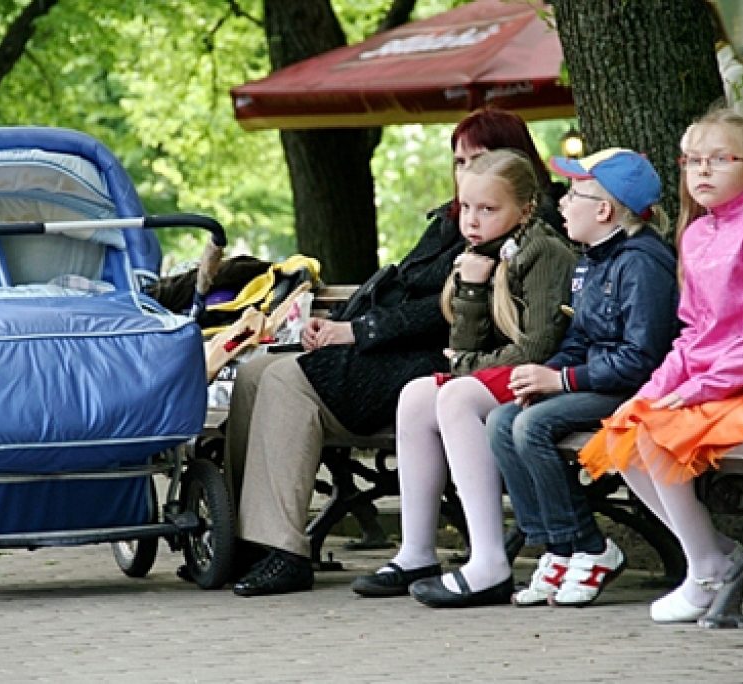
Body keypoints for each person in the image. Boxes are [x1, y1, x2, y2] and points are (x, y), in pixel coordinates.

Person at [226, 107, 564, 598]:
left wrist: (357, 333)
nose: (467, 173)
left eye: (480, 158)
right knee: (256, 371)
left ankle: (283, 549)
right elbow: (411, 286)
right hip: (412, 352)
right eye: (458, 161)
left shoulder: (518, 229)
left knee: (285, 381)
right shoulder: (459, 219)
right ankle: (243, 540)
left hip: (432, 357)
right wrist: (346, 326)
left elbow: (442, 312)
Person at [579, 110, 743, 623]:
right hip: (719, 388)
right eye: (693, 161)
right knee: (627, 429)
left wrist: (702, 388)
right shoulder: (695, 235)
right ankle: (710, 556)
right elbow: (694, 333)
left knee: (656, 436)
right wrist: (653, 389)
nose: (703, 172)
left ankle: (704, 570)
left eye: (720, 159)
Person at [350, 150, 574, 608]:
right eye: (466, 207)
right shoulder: (479, 253)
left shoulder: (543, 251)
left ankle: (489, 561)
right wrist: (471, 287)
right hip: (502, 370)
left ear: (525, 208)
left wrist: (467, 367)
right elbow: (465, 340)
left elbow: (536, 348)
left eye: (487, 209)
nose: (471, 220)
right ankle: (416, 552)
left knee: (456, 397)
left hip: (546, 375)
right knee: (415, 396)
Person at [486, 149, 680, 608]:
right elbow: (579, 338)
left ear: (604, 210)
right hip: (596, 381)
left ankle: (591, 547)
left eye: (574, 194)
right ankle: (556, 546)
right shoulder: (589, 258)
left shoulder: (642, 263)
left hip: (635, 391)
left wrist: (564, 382)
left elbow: (641, 360)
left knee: (531, 427)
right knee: (501, 419)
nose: (563, 203)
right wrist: (544, 374)